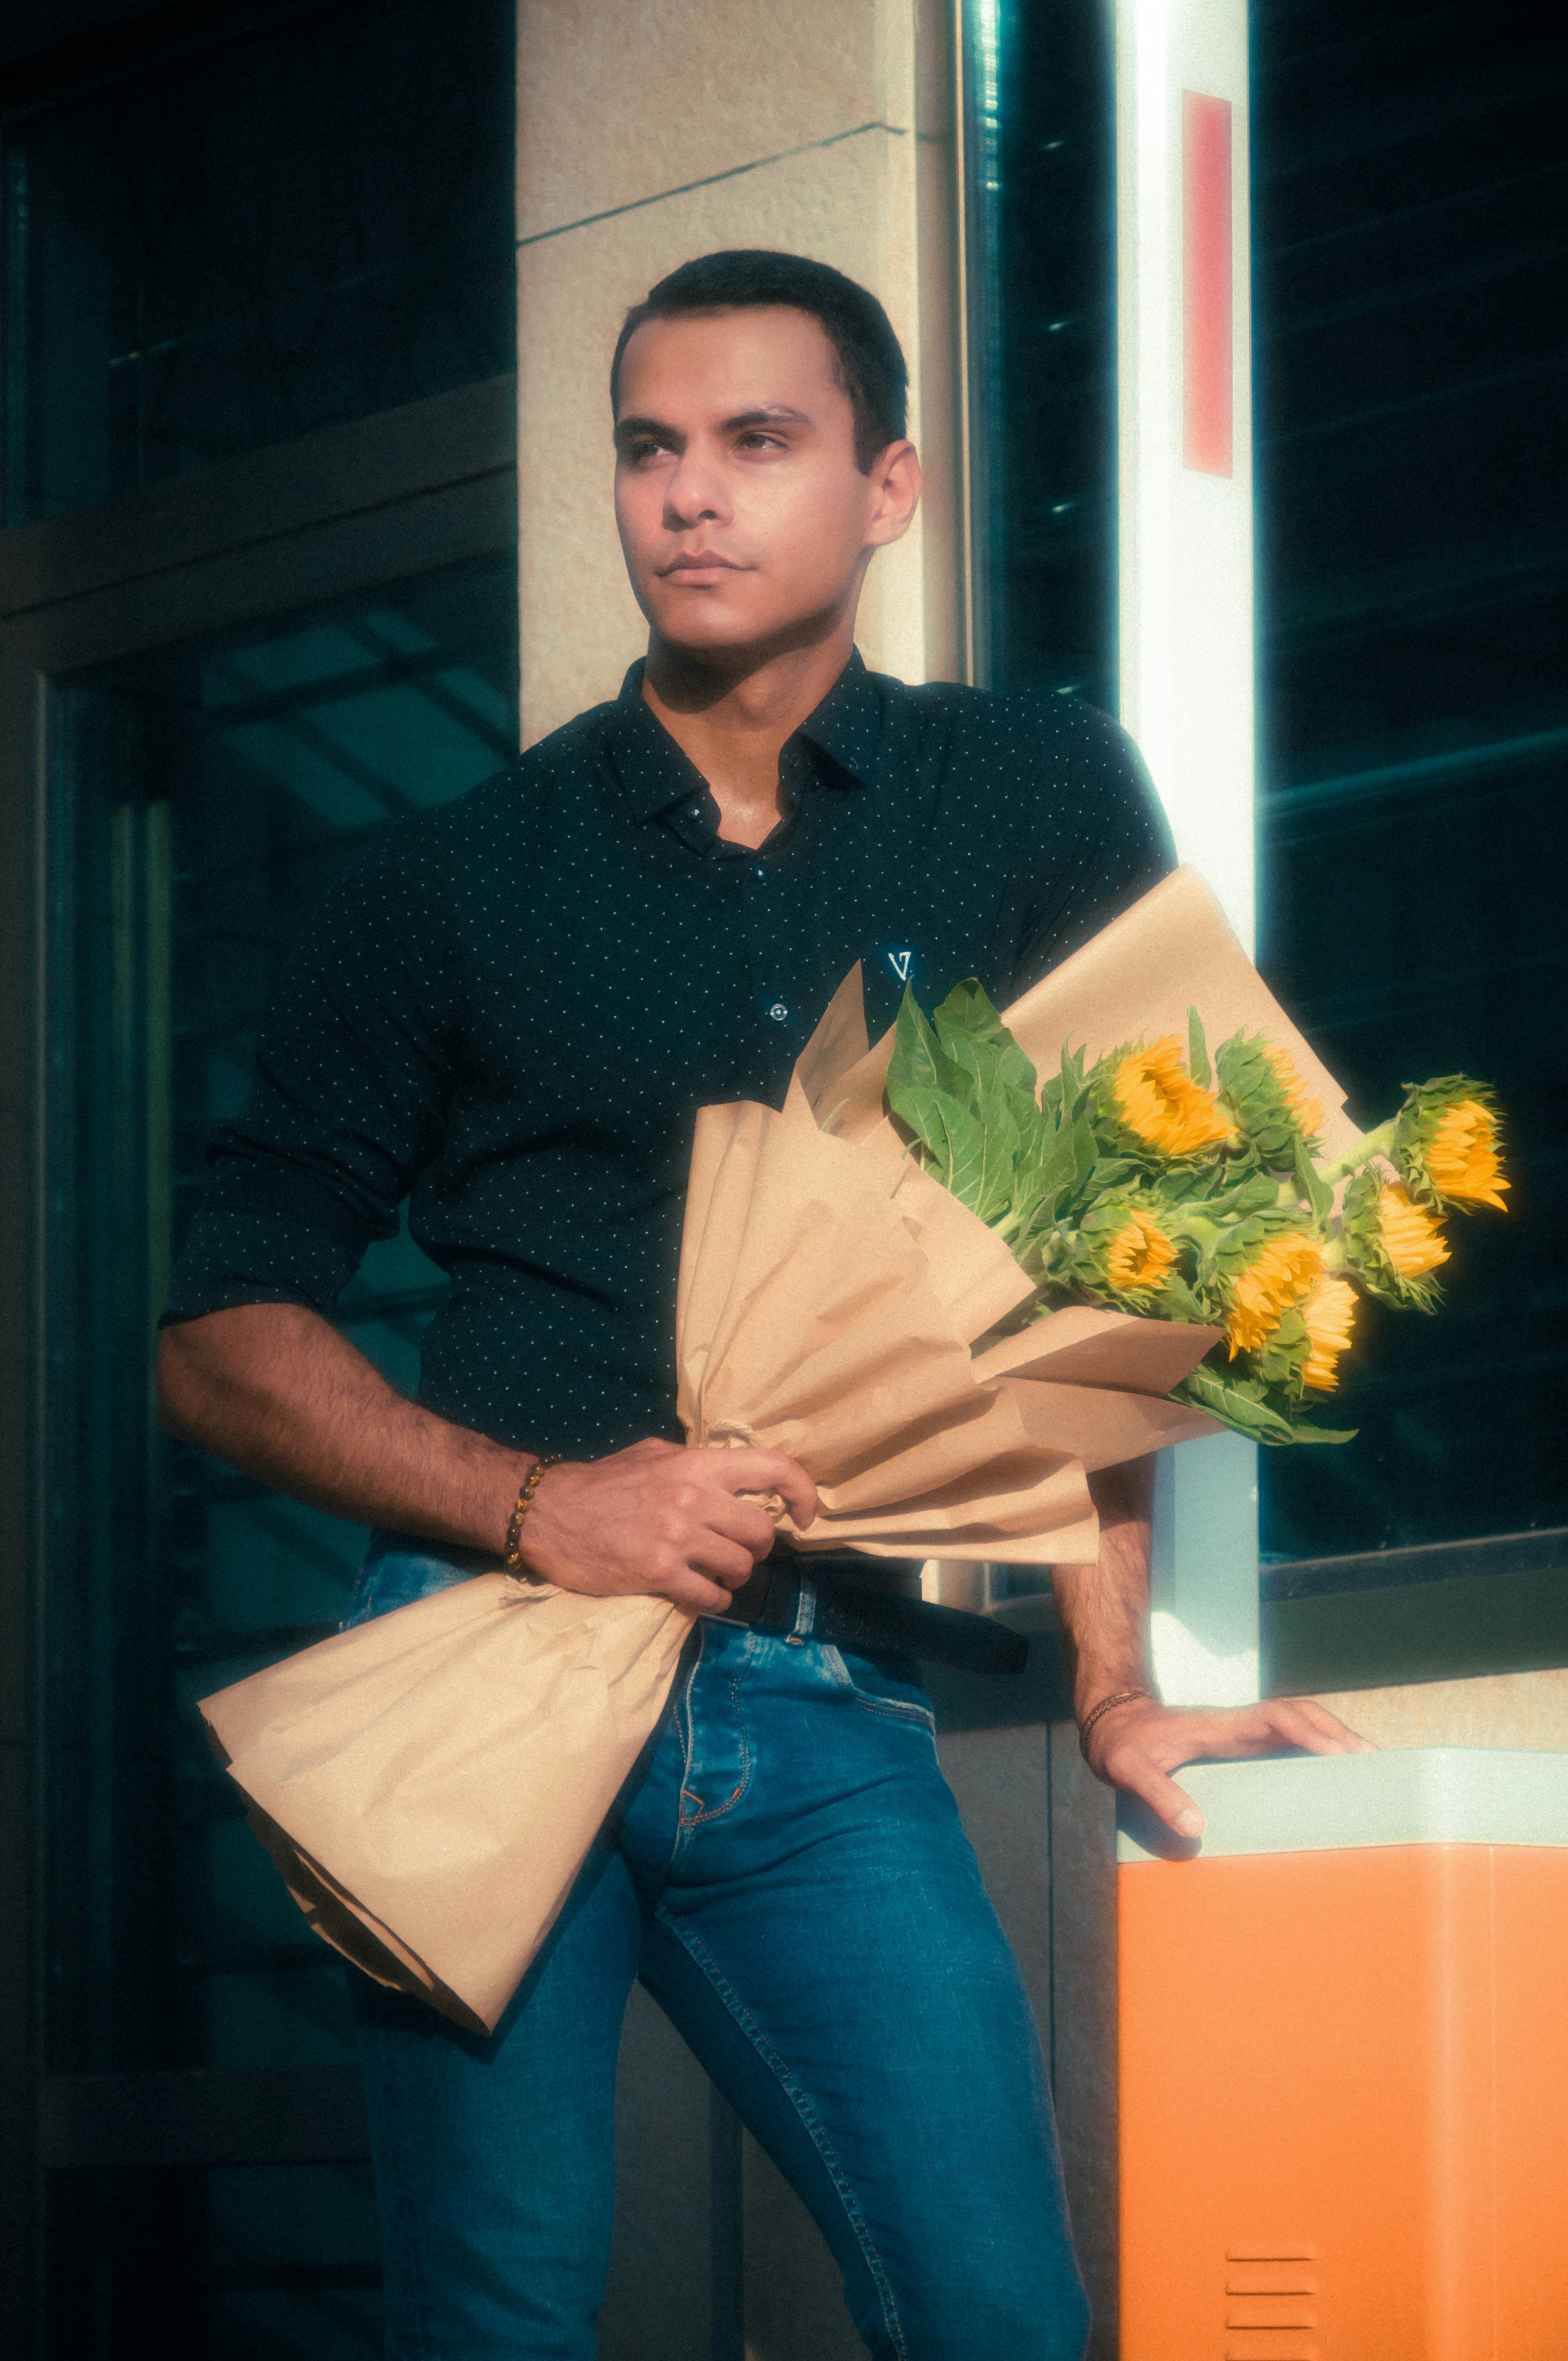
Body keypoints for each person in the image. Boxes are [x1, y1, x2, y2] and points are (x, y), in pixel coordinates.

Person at [157, 250, 1367, 2361]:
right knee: (499, 2323)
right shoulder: (454, 875)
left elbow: (1119, 1273)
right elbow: (215, 1332)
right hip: (480, 1668)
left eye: (755, 442)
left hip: (815, 1704)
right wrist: (546, 1503)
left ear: (887, 484)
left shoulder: (1035, 796)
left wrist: (1112, 1686)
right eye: (648, 448)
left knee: (998, 2315)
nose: (688, 497)